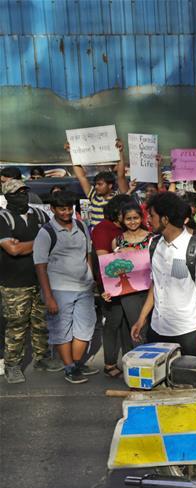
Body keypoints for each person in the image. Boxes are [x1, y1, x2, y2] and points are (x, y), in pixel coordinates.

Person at [130, 192, 196, 356]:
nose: (147, 220)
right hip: (156, 329)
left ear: (165, 219)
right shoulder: (154, 244)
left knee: (187, 380)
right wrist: (142, 319)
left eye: (152, 215)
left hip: (188, 332)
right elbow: (155, 284)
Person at [33, 191, 98, 384]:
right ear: (52, 209)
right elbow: (40, 266)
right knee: (62, 330)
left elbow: (87, 254)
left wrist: (91, 277)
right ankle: (69, 368)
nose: (67, 212)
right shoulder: (46, 232)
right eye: (62, 208)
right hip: (59, 290)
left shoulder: (80, 225)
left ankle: (76, 363)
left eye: (69, 208)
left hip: (84, 287)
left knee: (86, 327)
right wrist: (49, 296)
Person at [0, 179, 60, 383]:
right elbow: (13, 250)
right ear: (8, 196)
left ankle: (41, 358)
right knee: (16, 325)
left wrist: (25, 245)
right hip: (14, 283)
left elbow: (55, 239)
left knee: (41, 322)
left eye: (25, 191)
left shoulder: (40, 214)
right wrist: (40, 242)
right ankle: (12, 365)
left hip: (41, 279)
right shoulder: (3, 218)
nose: (23, 195)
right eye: (17, 192)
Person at [100, 202, 152, 376]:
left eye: (135, 218)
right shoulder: (118, 240)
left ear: (141, 218)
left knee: (145, 328)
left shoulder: (151, 238)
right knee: (133, 330)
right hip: (126, 293)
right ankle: (138, 369)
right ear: (122, 220)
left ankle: (146, 366)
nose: (132, 222)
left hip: (149, 289)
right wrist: (107, 289)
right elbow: (111, 268)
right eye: (128, 219)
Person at [65, 139, 128, 229]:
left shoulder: (117, 197)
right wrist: (72, 153)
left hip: (113, 238)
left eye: (100, 184)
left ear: (110, 185)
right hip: (96, 238)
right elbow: (81, 177)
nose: (96, 187)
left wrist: (120, 152)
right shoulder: (93, 196)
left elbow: (121, 176)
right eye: (95, 184)